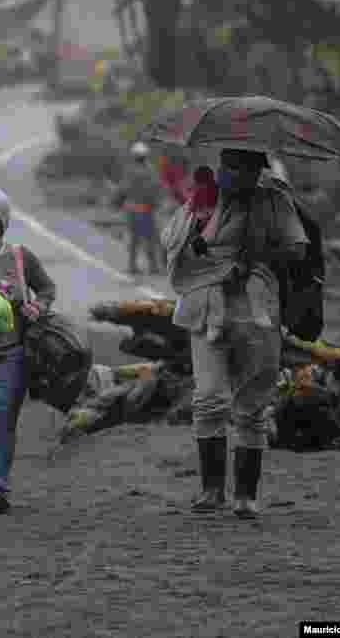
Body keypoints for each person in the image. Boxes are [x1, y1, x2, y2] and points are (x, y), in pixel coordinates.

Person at [163, 148, 308, 519]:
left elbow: (297, 248)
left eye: (240, 168)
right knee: (208, 397)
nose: (231, 173)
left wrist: (256, 256)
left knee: (252, 406)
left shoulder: (275, 200)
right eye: (226, 166)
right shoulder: (205, 195)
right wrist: (196, 233)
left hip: (257, 313)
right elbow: (171, 239)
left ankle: (245, 496)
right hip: (205, 308)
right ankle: (211, 491)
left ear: (256, 170)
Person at [0, 188, 56, 514]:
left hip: (11, 351)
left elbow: (46, 287)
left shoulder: (20, 256)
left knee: (2, 416)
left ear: (2, 223)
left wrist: (38, 306)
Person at [115, 142, 163, 276]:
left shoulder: (130, 171)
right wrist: (156, 204)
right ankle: (153, 267)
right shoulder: (151, 171)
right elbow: (156, 190)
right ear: (145, 156)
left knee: (134, 239)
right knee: (150, 238)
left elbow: (123, 189)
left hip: (132, 210)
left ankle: (133, 266)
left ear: (134, 156)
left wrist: (117, 202)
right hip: (147, 210)